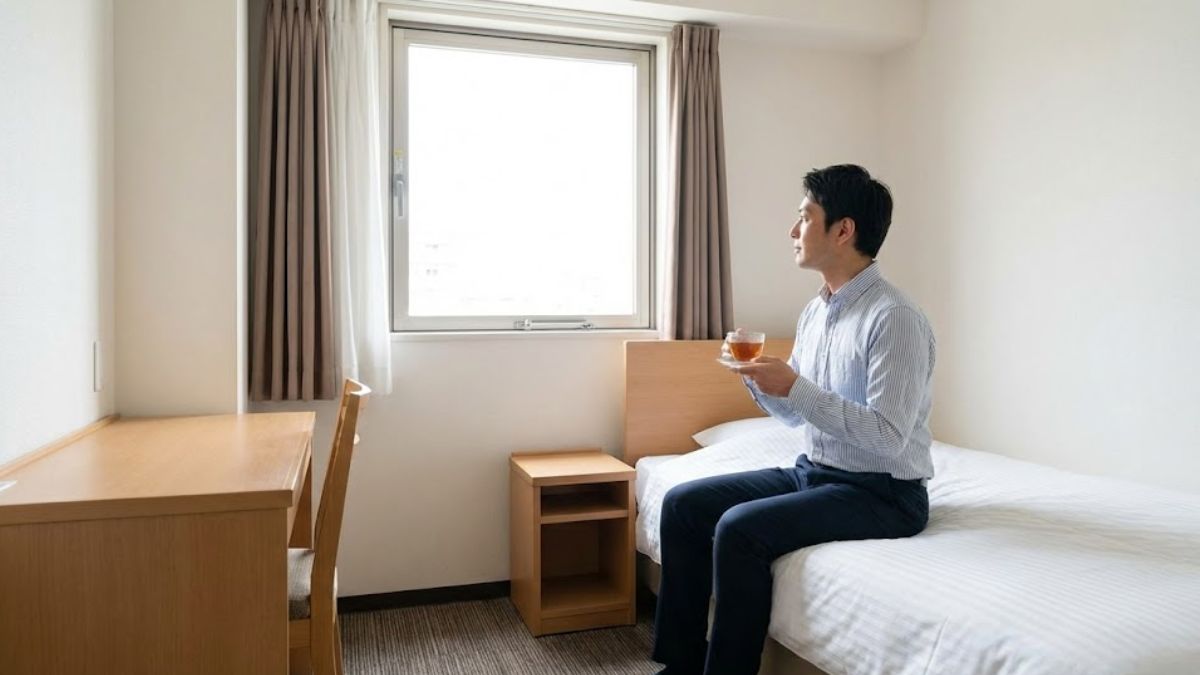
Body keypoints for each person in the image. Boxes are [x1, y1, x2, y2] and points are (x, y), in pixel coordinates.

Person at [651, 164, 936, 675]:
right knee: (683, 503)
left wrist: (796, 387)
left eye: (804, 217)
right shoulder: (815, 313)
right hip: (816, 471)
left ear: (843, 230)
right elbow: (795, 415)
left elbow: (889, 438)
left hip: (884, 493)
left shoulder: (894, 318)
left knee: (740, 529)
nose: (792, 231)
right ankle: (681, 664)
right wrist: (757, 379)